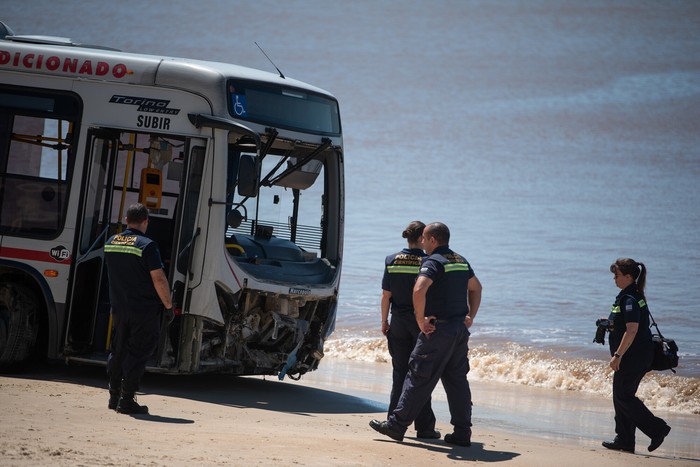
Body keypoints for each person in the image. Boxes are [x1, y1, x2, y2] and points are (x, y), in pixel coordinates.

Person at [370, 222, 482, 447]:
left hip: (437, 330)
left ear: (432, 240)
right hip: (459, 330)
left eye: (424, 238)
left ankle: (396, 425)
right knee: (457, 381)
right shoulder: (460, 260)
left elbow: (419, 289)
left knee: (418, 376)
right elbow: (477, 288)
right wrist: (471, 316)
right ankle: (462, 433)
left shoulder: (433, 261)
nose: (421, 242)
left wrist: (420, 320)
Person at [104, 203, 173, 414]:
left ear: (126, 220)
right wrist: (168, 305)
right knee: (138, 351)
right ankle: (127, 400)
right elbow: (159, 279)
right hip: (143, 310)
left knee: (118, 349)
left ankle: (114, 396)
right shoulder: (147, 245)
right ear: (145, 222)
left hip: (118, 307)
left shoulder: (111, 242)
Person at [601, 258, 671, 453]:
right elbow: (626, 324)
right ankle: (624, 440)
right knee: (621, 396)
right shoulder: (630, 295)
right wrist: (609, 323)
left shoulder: (630, 299)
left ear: (629, 277)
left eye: (617, 275)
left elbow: (631, 330)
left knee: (623, 396)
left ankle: (657, 429)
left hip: (633, 357)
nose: (614, 279)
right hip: (635, 356)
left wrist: (617, 355)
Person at [380, 221, 439, 439]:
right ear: (422, 238)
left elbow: (386, 295)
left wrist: (384, 321)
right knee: (420, 375)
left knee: (399, 374)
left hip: (398, 322)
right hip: (420, 323)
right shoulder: (429, 261)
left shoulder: (391, 260)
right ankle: (425, 428)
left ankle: (392, 421)